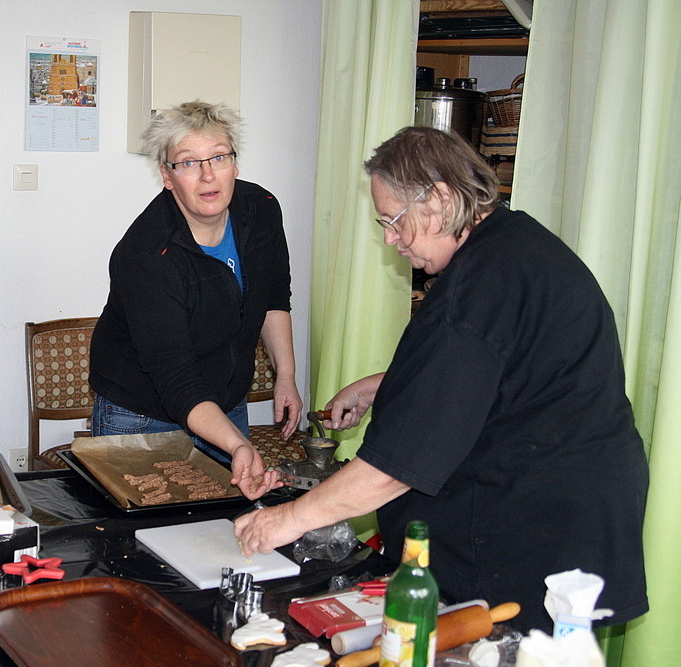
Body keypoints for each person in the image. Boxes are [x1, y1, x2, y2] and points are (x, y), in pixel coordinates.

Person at [234, 127, 649, 632]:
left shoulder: (477, 289)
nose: (389, 238)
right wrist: (388, 384)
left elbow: (398, 466)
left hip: (533, 531)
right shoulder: (516, 246)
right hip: (577, 506)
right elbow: (501, 371)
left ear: (442, 199)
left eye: (394, 220)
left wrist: (288, 519)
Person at [89, 101, 301, 500]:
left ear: (234, 163)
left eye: (218, 157)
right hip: (142, 413)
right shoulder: (148, 255)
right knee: (145, 531)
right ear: (167, 176)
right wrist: (237, 444)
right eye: (188, 163)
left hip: (223, 402)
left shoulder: (262, 211)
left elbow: (274, 296)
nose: (207, 175)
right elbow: (176, 378)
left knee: (225, 522)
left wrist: (285, 374)